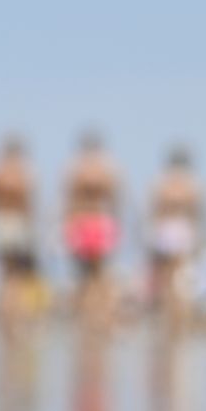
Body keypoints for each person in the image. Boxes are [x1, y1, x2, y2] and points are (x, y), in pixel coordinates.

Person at [62, 131, 122, 326]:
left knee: (83, 276)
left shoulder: (74, 169)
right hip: (101, 221)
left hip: (80, 222)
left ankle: (85, 319)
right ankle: (101, 319)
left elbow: (67, 202)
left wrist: (67, 228)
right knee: (100, 275)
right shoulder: (108, 169)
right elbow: (115, 201)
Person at [144, 146, 206, 324]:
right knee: (181, 280)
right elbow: (200, 215)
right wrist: (201, 240)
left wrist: (149, 237)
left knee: (164, 279)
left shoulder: (160, 184)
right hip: (184, 231)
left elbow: (151, 213)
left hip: (164, 230)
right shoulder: (194, 186)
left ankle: (166, 319)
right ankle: (179, 321)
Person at [0, 136, 39, 325]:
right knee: (16, 273)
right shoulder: (25, 173)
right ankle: (13, 315)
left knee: (5, 272)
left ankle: (6, 315)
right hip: (17, 222)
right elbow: (30, 204)